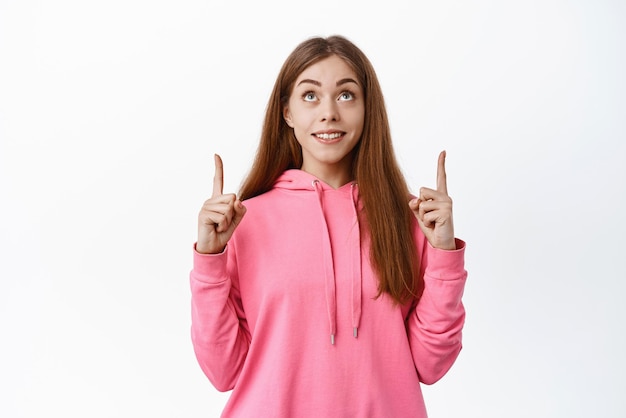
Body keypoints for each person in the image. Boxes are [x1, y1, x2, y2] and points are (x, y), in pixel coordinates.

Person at [190, 35, 467, 417]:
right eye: (309, 96)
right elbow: (224, 372)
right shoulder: (243, 223)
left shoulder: (408, 220)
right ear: (286, 112)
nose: (328, 113)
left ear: (368, 109)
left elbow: (430, 365)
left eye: (346, 95)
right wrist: (209, 260)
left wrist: (443, 255)